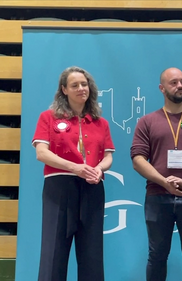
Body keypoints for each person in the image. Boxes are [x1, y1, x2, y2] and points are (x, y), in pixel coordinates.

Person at [32, 66, 114, 281]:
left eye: (84, 84)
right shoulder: (48, 117)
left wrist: (99, 169)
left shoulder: (101, 122)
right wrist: (75, 168)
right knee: (54, 253)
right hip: (59, 188)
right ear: (64, 90)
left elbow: (108, 157)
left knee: (92, 254)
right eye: (74, 85)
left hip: (92, 188)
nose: (81, 88)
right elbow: (42, 153)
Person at [131, 67, 182, 281]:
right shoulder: (147, 121)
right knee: (157, 256)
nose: (180, 86)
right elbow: (138, 159)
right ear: (162, 88)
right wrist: (164, 181)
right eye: (174, 82)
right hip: (157, 195)